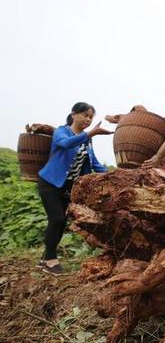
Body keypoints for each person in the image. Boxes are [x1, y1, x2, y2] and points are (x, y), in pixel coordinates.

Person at [37, 102, 112, 275]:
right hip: (50, 183)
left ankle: (45, 258)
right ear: (73, 114)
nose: (88, 119)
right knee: (57, 219)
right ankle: (50, 259)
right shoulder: (61, 131)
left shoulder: (87, 140)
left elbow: (93, 163)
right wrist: (89, 134)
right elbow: (65, 144)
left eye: (91, 117)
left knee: (60, 222)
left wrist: (114, 174)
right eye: (85, 115)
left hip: (68, 187)